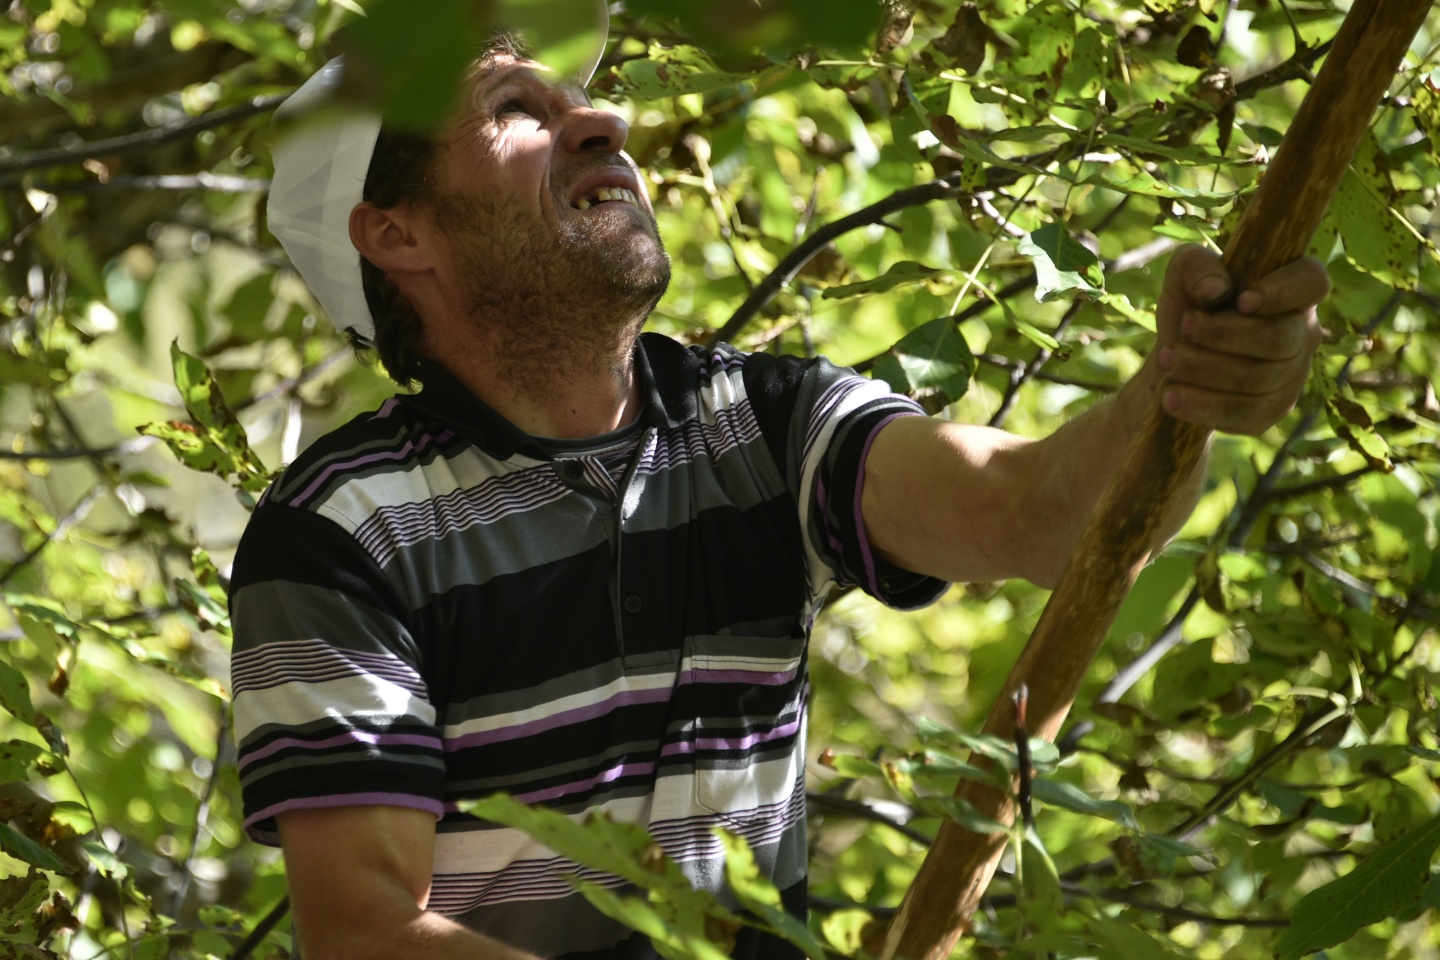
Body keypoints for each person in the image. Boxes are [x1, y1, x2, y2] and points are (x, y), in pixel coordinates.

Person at [229, 27, 1329, 960]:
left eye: (583, 96)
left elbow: (1035, 508)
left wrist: (1181, 386)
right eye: (518, 108)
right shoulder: (340, 529)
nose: (603, 119)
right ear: (398, 232)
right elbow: (367, 931)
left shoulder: (757, 423)